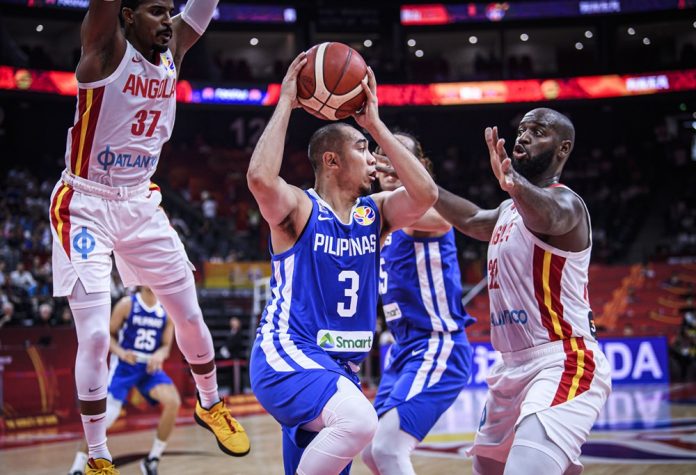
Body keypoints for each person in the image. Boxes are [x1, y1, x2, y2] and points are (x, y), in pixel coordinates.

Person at [48, 1, 249, 473]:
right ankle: (98, 456)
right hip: (86, 202)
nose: (168, 20)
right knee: (96, 334)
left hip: (140, 200)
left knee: (190, 313)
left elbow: (201, 10)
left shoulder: (172, 47)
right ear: (127, 15)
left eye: (170, 12)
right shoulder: (103, 50)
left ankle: (210, 404)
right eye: (157, 11)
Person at [246, 55, 438, 475]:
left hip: (335, 371)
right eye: (362, 148)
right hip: (289, 353)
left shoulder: (374, 214)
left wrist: (374, 126)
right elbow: (260, 179)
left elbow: (425, 195)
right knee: (360, 421)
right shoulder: (298, 207)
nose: (373, 159)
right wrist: (286, 102)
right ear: (331, 161)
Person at [434, 108, 611, 475]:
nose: (524, 136)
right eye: (522, 129)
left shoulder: (568, 204)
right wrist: (415, 181)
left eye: (538, 131)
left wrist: (512, 180)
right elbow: (467, 219)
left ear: (562, 149)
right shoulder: (506, 210)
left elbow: (548, 217)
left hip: (562, 359)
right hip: (511, 365)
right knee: (487, 469)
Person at [361, 133, 475, 475]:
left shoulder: (426, 211)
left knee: (387, 449)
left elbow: (438, 217)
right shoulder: (381, 223)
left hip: (437, 345)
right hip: (403, 351)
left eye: (398, 157)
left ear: (419, 167)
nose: (389, 164)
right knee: (370, 450)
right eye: (382, 158)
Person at [68, 287, 180, 475]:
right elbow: (108, 335)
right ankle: (77, 467)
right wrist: (121, 352)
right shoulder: (127, 304)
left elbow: (166, 347)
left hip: (148, 368)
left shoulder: (166, 309)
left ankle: (152, 459)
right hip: (125, 365)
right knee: (108, 416)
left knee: (173, 402)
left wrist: (159, 356)